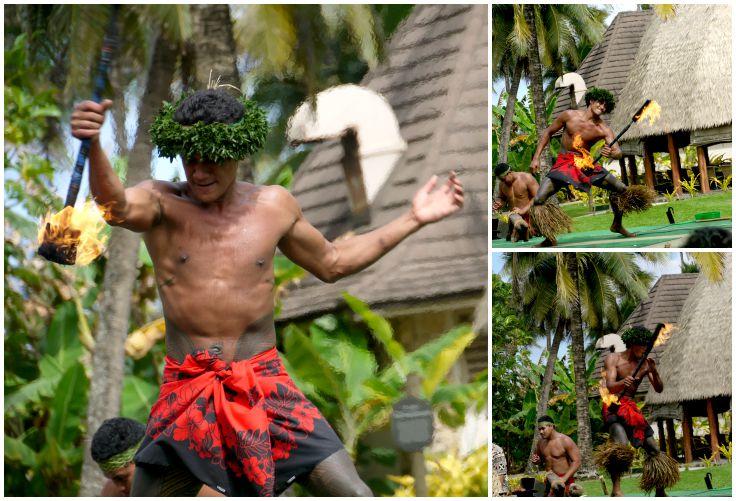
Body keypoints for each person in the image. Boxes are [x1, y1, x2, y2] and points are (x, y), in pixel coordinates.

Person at [71, 88, 464, 497]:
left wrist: (414, 218)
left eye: (213, 159)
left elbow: (332, 262)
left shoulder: (273, 206)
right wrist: (94, 143)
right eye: (191, 159)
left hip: (265, 384)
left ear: (238, 151)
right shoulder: (162, 203)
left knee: (354, 493)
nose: (200, 171)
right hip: (189, 390)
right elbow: (114, 207)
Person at [522, 87, 653, 245]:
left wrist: (611, 152)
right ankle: (549, 238)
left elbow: (618, 152)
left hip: (587, 165)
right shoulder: (569, 115)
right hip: (565, 163)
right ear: (591, 101)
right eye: (600, 102)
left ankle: (617, 224)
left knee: (621, 189)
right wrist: (536, 158)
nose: (602, 107)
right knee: (538, 199)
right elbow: (548, 132)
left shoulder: (603, 129)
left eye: (605, 106)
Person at [602, 327, 678, 496]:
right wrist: (623, 383)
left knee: (653, 448)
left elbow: (658, 388)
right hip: (614, 403)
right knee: (621, 447)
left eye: (646, 346)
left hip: (630, 406)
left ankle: (660, 489)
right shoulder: (613, 359)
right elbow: (610, 386)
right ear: (631, 344)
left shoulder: (644, 363)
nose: (645, 350)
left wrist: (654, 370)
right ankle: (616, 489)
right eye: (642, 346)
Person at [92, 417, 219, 496]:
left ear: (144, 460)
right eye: (112, 479)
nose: (119, 487)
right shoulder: (111, 493)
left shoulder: (190, 488)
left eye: (122, 478)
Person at [531, 416, 582, 497]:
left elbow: (577, 461)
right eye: (539, 429)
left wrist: (563, 479)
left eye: (543, 428)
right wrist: (536, 461)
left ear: (551, 426)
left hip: (565, 480)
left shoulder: (565, 440)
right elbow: (538, 460)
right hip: (549, 479)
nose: (540, 432)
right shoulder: (540, 442)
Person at [492, 163, 539, 242]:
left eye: (503, 179)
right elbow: (502, 198)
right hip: (514, 219)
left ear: (509, 173)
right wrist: (499, 203)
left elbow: (538, 196)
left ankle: (527, 230)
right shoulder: (502, 184)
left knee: (527, 237)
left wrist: (523, 210)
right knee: (513, 238)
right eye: (501, 180)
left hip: (530, 216)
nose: (503, 182)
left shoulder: (527, 178)